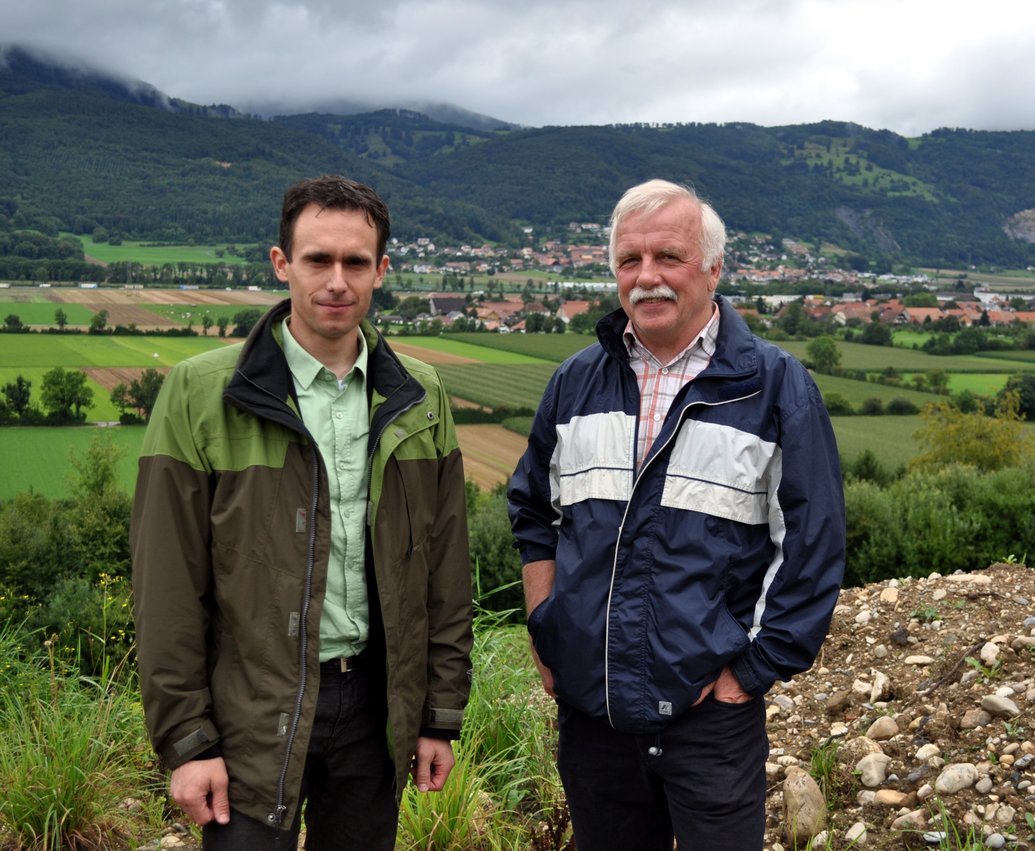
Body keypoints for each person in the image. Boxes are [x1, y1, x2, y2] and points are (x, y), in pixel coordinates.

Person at [131, 174, 473, 850]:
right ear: (282, 263)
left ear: (381, 269)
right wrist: (188, 738)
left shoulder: (420, 396)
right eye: (318, 259)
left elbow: (446, 570)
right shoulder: (202, 394)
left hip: (376, 712)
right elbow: (166, 584)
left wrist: (440, 713)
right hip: (251, 712)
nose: (337, 281)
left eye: (355, 262)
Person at [507, 178, 845, 850]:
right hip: (592, 715)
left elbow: (813, 545)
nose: (647, 277)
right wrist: (548, 631)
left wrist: (747, 676)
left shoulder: (774, 388)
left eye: (669, 256)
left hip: (708, 721)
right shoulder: (576, 382)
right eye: (629, 260)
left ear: (714, 267)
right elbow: (533, 510)